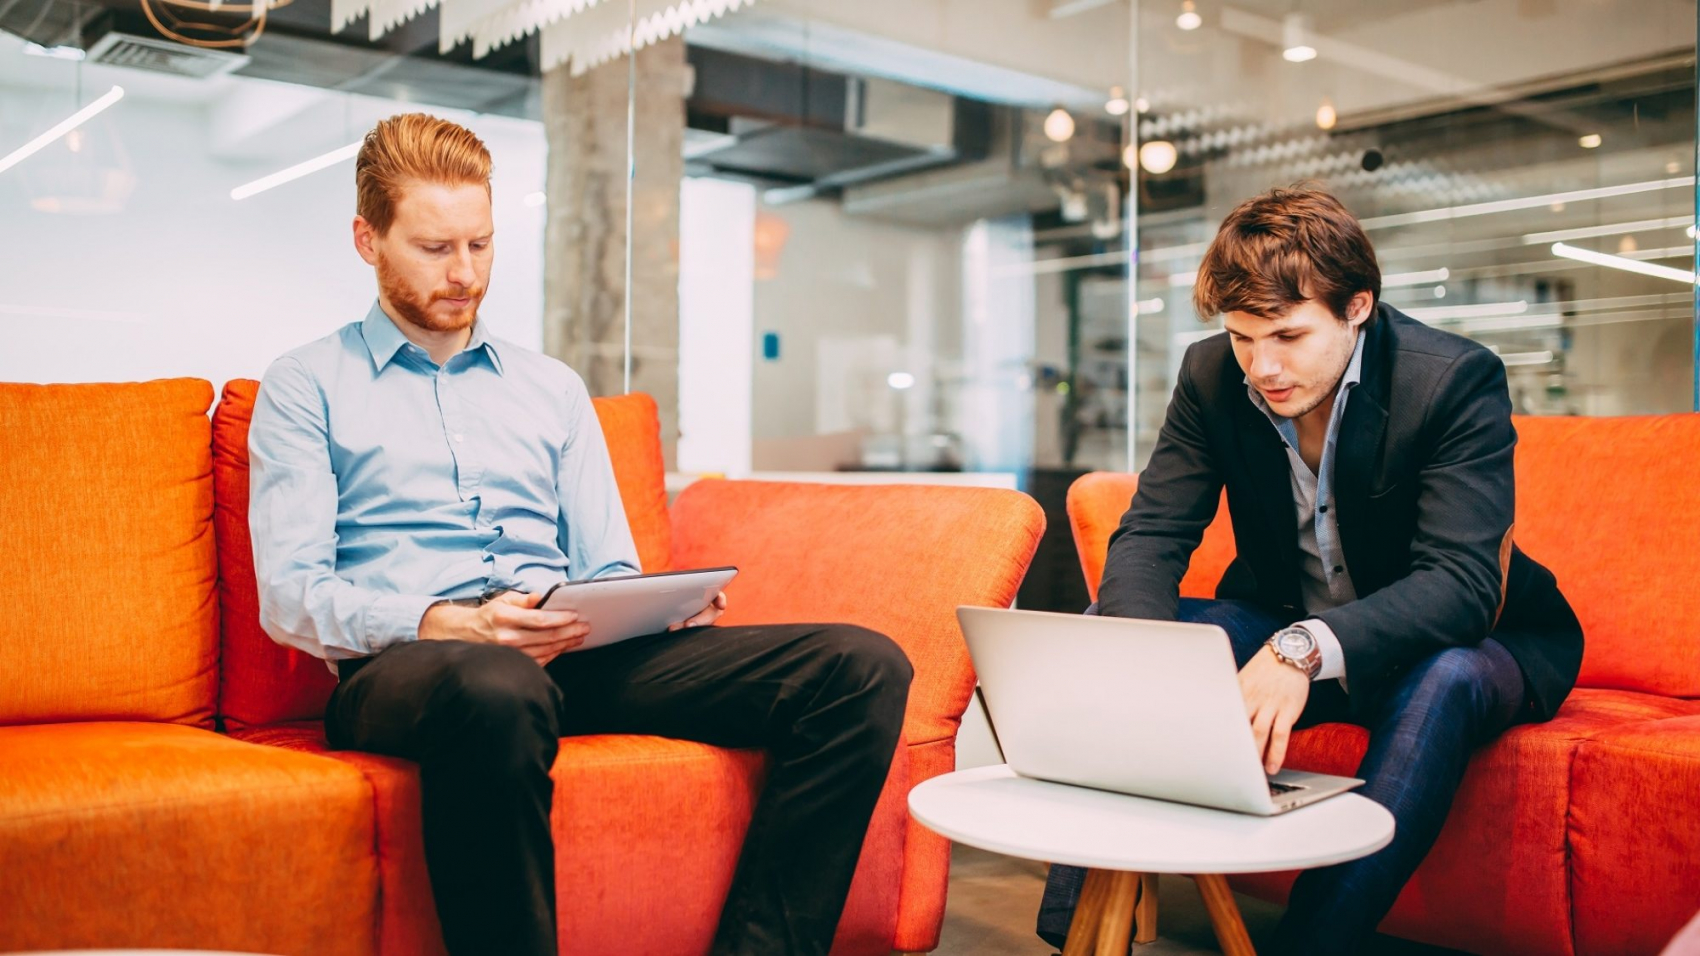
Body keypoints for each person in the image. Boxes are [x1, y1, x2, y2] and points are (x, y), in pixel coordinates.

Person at [247, 113, 913, 956]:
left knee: (859, 668)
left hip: (571, 653)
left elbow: (608, 564)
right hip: (413, 669)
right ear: (366, 239)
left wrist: (650, 607)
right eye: (434, 248)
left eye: (481, 245)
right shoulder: (307, 385)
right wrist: (452, 622)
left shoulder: (551, 388)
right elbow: (292, 595)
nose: (464, 274)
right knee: (495, 681)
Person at [1037, 184, 1583, 955]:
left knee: (1447, 677)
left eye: (1288, 336)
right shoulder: (1209, 378)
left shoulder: (1451, 380)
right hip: (1284, 615)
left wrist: (1302, 648)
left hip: (1467, 638)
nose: (1263, 367)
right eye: (1241, 338)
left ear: (1357, 306)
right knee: (1118, 632)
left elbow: (1461, 585)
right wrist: (1141, 662)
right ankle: (1080, 939)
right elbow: (1154, 532)